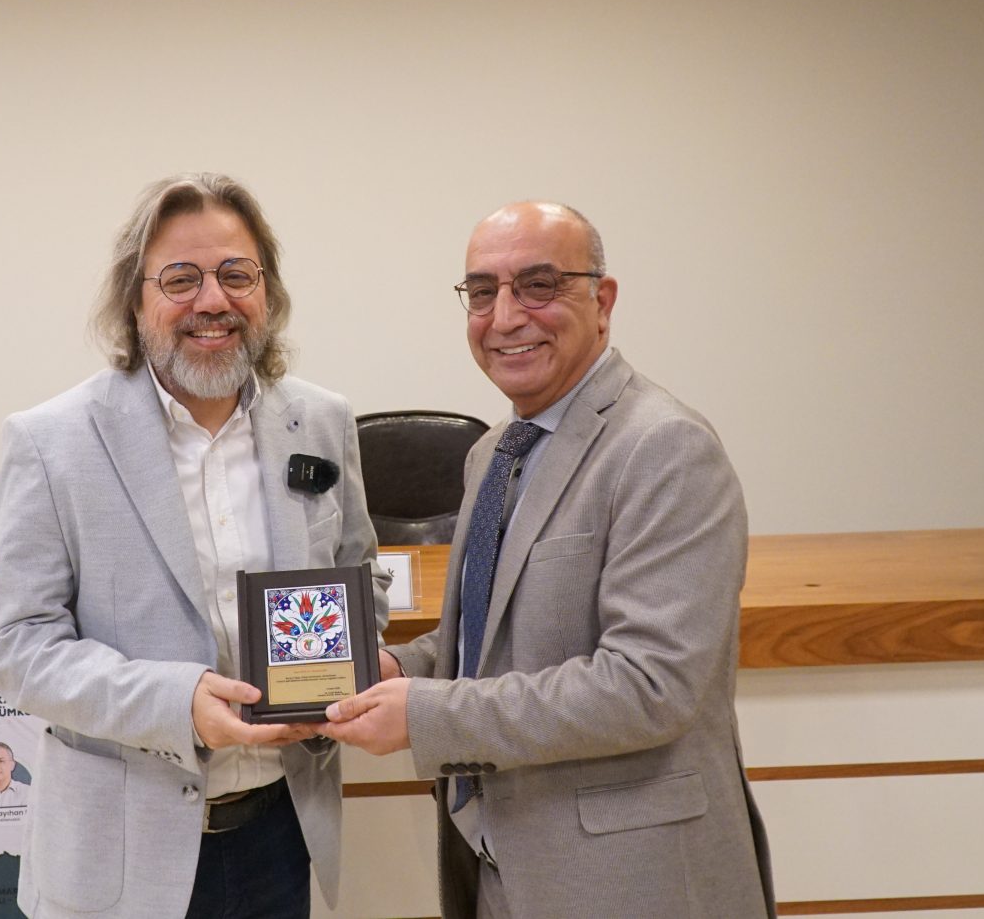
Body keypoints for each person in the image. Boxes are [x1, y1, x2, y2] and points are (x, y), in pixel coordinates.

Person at [321, 201, 775, 918]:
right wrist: (404, 668)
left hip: (629, 883)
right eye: (482, 291)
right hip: (500, 868)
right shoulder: (494, 453)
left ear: (603, 301)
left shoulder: (665, 447)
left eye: (538, 285)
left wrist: (426, 713)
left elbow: (648, 685)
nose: (505, 316)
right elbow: (496, 632)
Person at [0, 173, 389, 919]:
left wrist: (355, 661)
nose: (212, 300)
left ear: (266, 292)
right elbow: (16, 645)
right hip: (121, 855)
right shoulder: (53, 442)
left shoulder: (323, 421)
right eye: (180, 279)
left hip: (281, 832)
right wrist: (178, 703)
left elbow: (360, 576)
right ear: (135, 301)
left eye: (237, 274)